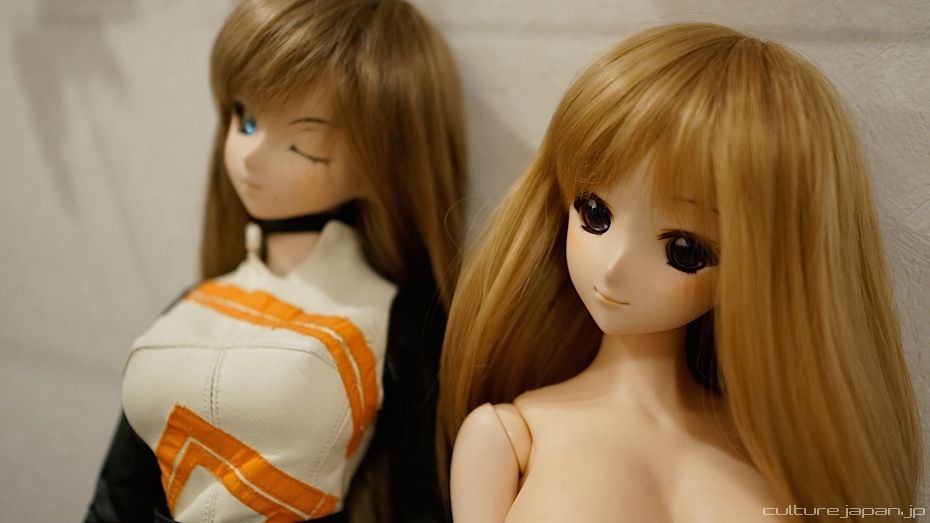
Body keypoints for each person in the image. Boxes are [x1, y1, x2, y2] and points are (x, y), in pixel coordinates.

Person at [438, 22, 921, 522]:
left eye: (686, 250)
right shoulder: (508, 439)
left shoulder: (785, 459)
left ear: (764, 273)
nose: (615, 267)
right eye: (596, 215)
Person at [86, 0, 466, 521]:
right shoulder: (197, 304)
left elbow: (422, 500)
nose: (250, 157)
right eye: (245, 121)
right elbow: (119, 490)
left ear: (383, 164)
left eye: (303, 144)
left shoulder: (393, 321)